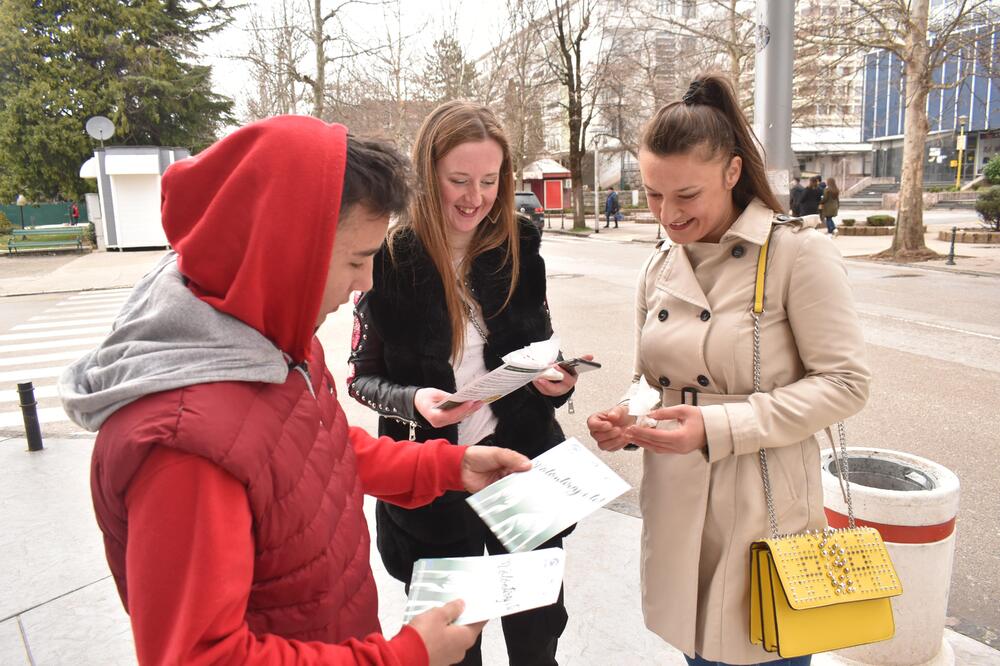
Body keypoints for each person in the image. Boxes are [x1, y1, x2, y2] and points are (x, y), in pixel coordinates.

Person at [58, 115, 535, 666]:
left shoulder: (275, 339)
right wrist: (402, 657)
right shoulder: (182, 447)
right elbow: (201, 657)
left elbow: (317, 453)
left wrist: (447, 467)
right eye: (357, 260)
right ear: (287, 251)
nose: (367, 282)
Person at [585, 74, 870, 666]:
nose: (667, 214)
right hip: (677, 498)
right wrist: (627, 415)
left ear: (733, 172)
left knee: (759, 648)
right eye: (653, 194)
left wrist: (717, 428)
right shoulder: (658, 264)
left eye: (686, 195)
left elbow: (845, 385)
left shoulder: (798, 254)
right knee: (698, 651)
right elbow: (650, 379)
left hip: (764, 509)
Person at [349, 101, 582, 666]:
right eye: (458, 180)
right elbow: (361, 379)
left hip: (524, 470)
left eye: (488, 180)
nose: (474, 197)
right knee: (453, 649)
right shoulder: (387, 259)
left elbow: (542, 348)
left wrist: (558, 380)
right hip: (432, 480)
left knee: (537, 640)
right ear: (429, 175)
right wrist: (414, 402)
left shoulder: (521, 248)